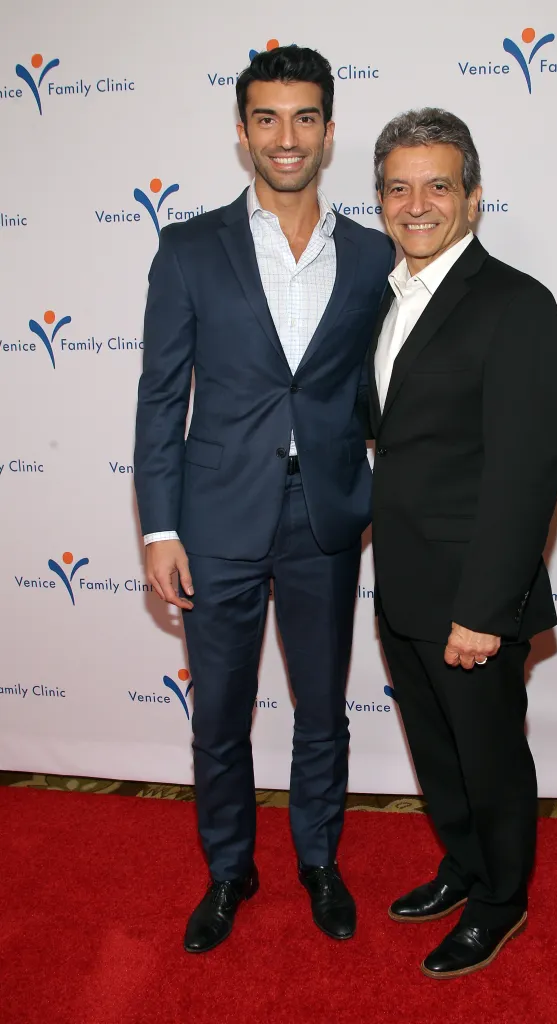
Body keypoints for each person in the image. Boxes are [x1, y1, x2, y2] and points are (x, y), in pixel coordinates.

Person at [134, 46, 395, 953]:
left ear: (328, 131)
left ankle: (319, 860)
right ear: (242, 132)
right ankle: (229, 870)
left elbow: (382, 383)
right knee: (219, 713)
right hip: (214, 518)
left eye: (304, 118)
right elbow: (160, 398)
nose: (287, 137)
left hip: (325, 513)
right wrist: (159, 527)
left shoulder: (371, 254)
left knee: (322, 708)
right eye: (267, 118)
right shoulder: (188, 247)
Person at [369, 108, 557, 978]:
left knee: (488, 761)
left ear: (474, 196)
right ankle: (463, 864)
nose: (416, 204)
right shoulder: (390, 298)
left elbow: (525, 474)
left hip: (473, 596)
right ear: (379, 199)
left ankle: (500, 900)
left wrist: (484, 610)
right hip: (404, 582)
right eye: (397, 187)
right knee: (439, 754)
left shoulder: (515, 304)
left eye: (437, 186)